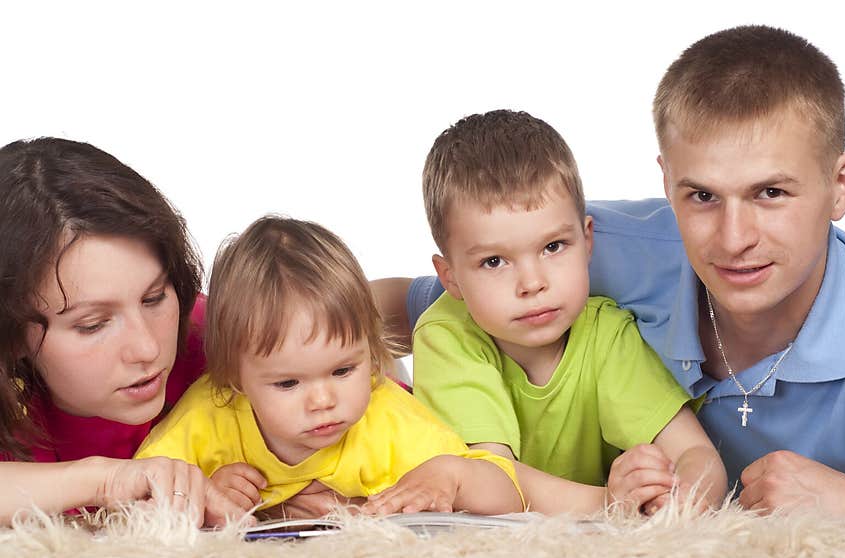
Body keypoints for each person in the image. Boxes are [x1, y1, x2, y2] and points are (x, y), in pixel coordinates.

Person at [400, 24, 845, 516]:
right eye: (703, 196)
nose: (735, 239)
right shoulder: (577, 249)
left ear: (841, 184)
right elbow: (377, 305)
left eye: (771, 193)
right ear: (668, 183)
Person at [408, 109, 726, 516]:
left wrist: (677, 499)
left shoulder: (607, 333)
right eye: (494, 262)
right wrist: (611, 504)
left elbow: (696, 451)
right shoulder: (446, 337)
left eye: (553, 247)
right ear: (450, 277)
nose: (532, 283)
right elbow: (492, 482)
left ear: (587, 240)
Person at [134, 215, 524, 518]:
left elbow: (508, 490)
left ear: (368, 358)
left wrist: (450, 476)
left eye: (341, 371)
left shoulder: (385, 419)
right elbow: (135, 494)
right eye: (288, 383)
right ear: (237, 380)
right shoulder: (210, 415)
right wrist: (204, 493)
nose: (323, 400)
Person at [0, 137, 241, 527]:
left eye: (154, 297)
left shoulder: (215, 332)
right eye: (93, 324)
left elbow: (357, 323)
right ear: (12, 336)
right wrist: (107, 479)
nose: (147, 348)